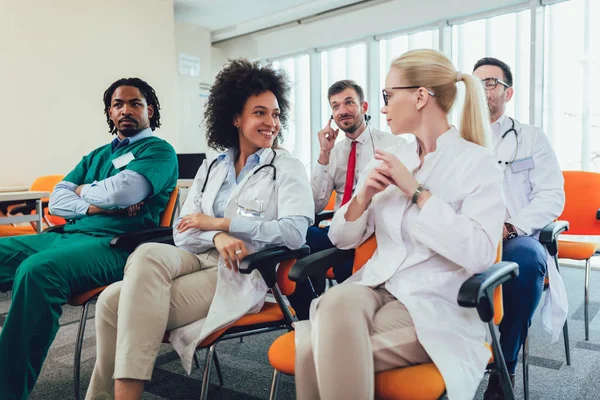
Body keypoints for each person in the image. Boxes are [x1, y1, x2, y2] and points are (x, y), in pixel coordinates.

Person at [85, 59, 315, 399]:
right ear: (236, 118)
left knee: (115, 304)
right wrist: (217, 234)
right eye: (260, 113)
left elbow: (295, 233)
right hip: (196, 255)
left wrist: (222, 223)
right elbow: (183, 229)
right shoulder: (213, 166)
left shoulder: (287, 167)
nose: (272, 123)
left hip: (240, 270)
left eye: (276, 114)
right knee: (144, 256)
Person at [294, 49, 506, 400]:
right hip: (377, 284)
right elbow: (342, 239)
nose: (382, 107)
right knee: (333, 306)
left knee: (313, 349)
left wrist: (416, 191)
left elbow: (480, 253)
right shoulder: (393, 159)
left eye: (388, 96)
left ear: (420, 96)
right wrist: (362, 197)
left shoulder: (477, 163)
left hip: (435, 300)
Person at [0, 77, 178, 399]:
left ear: (149, 110)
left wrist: (81, 194)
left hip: (117, 245)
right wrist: (96, 204)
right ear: (110, 113)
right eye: (117, 105)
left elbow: (125, 190)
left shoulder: (158, 151)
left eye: (135, 103)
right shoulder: (96, 156)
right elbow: (56, 201)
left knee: (38, 272)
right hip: (69, 234)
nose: (126, 110)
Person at [473, 57, 567, 399]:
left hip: (514, 237)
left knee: (526, 263)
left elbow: (552, 195)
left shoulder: (531, 138)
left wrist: (511, 226)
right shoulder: (457, 140)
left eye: (489, 83)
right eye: (475, 82)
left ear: (507, 93)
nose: (481, 89)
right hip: (466, 236)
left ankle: (504, 363)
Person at [308, 80, 402, 284]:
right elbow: (314, 205)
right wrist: (324, 154)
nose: (342, 110)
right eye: (336, 106)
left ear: (364, 107)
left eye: (349, 102)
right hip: (341, 231)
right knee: (301, 236)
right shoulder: (333, 152)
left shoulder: (393, 145)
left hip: (374, 233)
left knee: (345, 264)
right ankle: (304, 307)